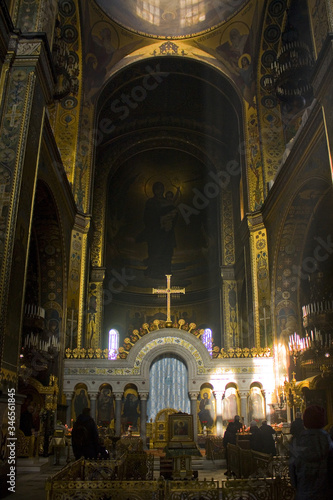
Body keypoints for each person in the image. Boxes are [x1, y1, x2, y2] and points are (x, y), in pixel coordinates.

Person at [289, 405, 333, 500]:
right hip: (326, 494)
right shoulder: (329, 443)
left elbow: (293, 475)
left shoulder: (297, 443)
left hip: (303, 494)